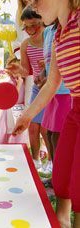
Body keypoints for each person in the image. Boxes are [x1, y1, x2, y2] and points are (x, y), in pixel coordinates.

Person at [11, 0, 80, 227]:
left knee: (77, 184)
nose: (34, 8)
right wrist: (28, 116)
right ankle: (62, 220)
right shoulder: (59, 33)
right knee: (61, 179)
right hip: (75, 110)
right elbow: (52, 82)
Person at [8, 6, 49, 171]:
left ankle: (52, 163)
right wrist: (18, 70)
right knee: (32, 125)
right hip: (37, 89)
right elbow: (27, 70)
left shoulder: (50, 38)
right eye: (27, 27)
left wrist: (46, 65)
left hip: (53, 89)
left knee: (47, 128)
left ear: (43, 21)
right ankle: (35, 160)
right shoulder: (26, 44)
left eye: (35, 25)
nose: (31, 30)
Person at [40, 25, 72, 175]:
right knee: (49, 134)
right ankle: (55, 173)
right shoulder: (47, 31)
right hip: (51, 92)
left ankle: (60, 176)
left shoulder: (68, 26)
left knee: (57, 137)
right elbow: (49, 61)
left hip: (65, 92)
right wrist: (42, 73)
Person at [0, 57, 28, 144]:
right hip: (10, 110)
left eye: (16, 70)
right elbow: (13, 97)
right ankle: (8, 143)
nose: (14, 73)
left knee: (17, 127)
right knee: (9, 127)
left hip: (19, 109)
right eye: (12, 70)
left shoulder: (25, 82)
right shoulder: (11, 82)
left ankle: (16, 143)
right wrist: (18, 85)